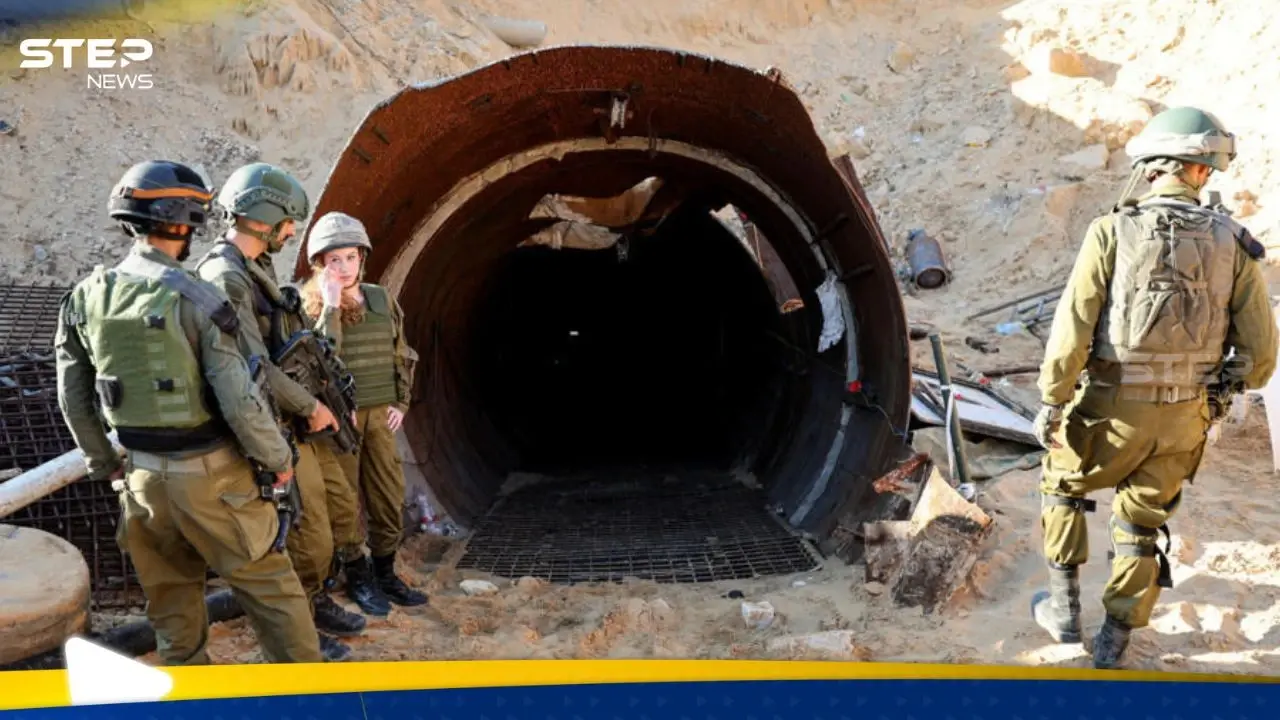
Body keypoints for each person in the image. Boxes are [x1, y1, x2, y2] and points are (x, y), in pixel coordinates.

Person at [1029, 106, 1279, 669]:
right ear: (1201, 171)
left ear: (1151, 168)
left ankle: (1064, 613)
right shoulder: (1234, 243)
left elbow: (1073, 328)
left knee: (1062, 485)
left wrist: (1053, 400)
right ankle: (1114, 641)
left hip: (1109, 409)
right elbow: (1262, 356)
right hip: (1185, 417)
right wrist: (1219, 394)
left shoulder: (1110, 231)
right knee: (1142, 523)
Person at [55, 160, 323, 665]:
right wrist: (278, 459)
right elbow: (238, 397)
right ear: (185, 223)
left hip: (140, 481)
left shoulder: (84, 297)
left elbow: (73, 396)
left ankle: (190, 696)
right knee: (272, 589)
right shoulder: (200, 297)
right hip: (214, 479)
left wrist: (105, 464)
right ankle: (305, 694)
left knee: (173, 615)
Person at [194, 162, 372, 662]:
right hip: (266, 421)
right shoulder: (226, 276)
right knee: (298, 525)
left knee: (320, 517)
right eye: (289, 221)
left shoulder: (255, 267)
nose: (293, 231)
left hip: (287, 414)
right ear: (264, 216)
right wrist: (310, 406)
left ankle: (314, 599)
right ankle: (300, 623)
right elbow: (252, 368)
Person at [299, 211, 428, 610]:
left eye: (350, 257)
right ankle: (357, 575)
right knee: (343, 503)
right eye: (334, 259)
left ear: (362, 258)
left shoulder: (379, 299)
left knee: (388, 495)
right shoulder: (311, 305)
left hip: (379, 417)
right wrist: (330, 307)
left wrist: (401, 402)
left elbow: (399, 353)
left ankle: (385, 572)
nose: (343, 267)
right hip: (341, 423)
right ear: (320, 263)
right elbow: (320, 361)